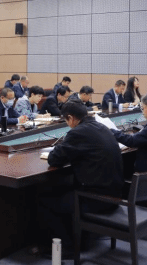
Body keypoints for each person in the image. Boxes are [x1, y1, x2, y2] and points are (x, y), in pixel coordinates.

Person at [36, 101, 124, 252]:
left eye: (66, 121)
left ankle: (66, 248)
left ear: (70, 118)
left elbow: (54, 159)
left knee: (45, 199)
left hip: (97, 199)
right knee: (64, 189)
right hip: (116, 194)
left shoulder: (77, 133)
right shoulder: (102, 127)